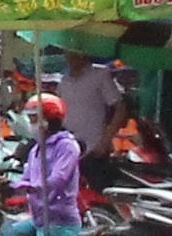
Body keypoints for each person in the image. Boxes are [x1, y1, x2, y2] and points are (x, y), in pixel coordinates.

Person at [7, 90, 84, 236]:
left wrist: (32, 187)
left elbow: (58, 178)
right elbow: (25, 179)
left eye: (34, 119)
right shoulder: (35, 150)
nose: (31, 125)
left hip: (59, 220)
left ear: (49, 121)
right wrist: (8, 188)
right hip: (39, 218)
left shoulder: (67, 146)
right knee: (9, 234)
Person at [53, 52, 125, 189]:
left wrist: (105, 141)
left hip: (94, 149)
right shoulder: (64, 81)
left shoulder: (100, 74)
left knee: (97, 195)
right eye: (68, 52)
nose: (70, 57)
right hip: (69, 150)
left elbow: (120, 109)